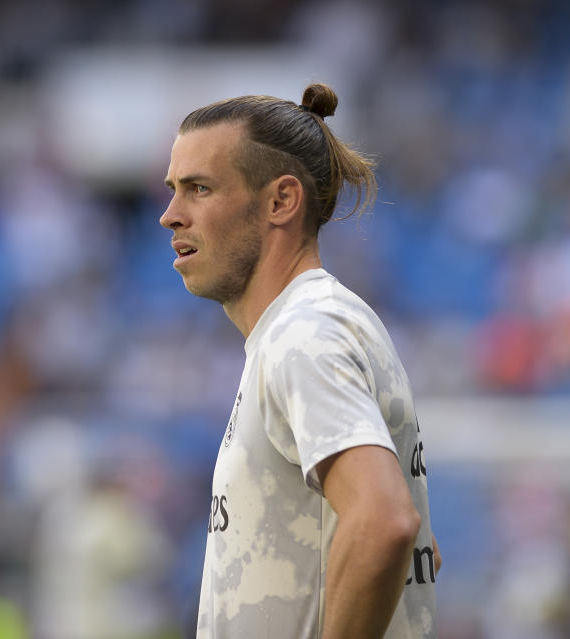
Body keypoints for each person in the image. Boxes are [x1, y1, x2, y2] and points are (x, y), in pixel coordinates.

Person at [160, 84, 440, 638]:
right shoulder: (313, 325)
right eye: (173, 190)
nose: (170, 215)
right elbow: (418, 550)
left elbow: (384, 522)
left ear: (281, 202)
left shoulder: (304, 332)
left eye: (200, 189)